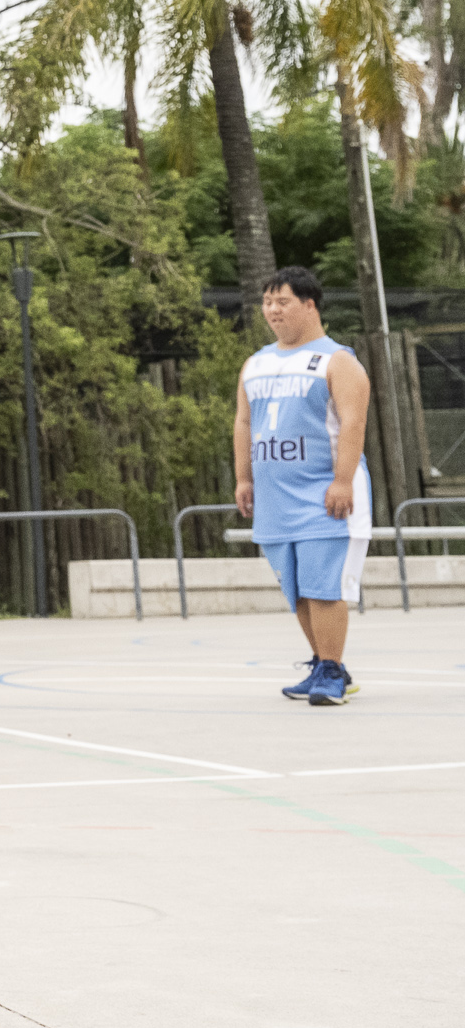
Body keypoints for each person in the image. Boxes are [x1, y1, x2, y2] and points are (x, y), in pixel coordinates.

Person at [234, 268, 366, 708]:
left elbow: (353, 423)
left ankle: (332, 670)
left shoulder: (337, 360)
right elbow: (243, 423)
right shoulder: (255, 363)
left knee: (322, 585)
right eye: (267, 302)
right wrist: (244, 477)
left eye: (283, 301)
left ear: (310, 306)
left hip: (323, 494)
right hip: (275, 496)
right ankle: (325, 663)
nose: (273, 310)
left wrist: (343, 480)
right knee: (296, 589)